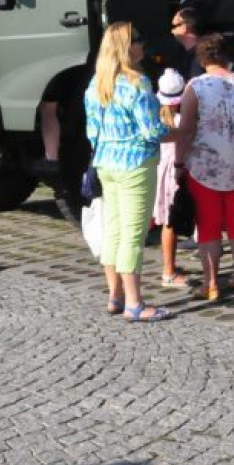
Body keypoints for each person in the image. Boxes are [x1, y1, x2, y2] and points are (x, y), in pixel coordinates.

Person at [84, 22, 172, 323]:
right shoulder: (138, 83)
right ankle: (135, 304)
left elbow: (91, 132)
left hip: (106, 163)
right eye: (138, 40)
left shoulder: (96, 84)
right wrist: (176, 128)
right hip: (135, 164)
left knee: (115, 231)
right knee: (133, 236)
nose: (143, 45)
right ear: (126, 47)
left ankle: (115, 295)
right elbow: (151, 131)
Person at [175, 33, 234, 301]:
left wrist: (178, 162)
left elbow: (185, 130)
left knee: (209, 226)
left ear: (202, 58)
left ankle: (211, 283)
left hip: (204, 166)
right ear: (226, 54)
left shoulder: (196, 87)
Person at [153, 68, 191, 288]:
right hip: (176, 174)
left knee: (167, 222)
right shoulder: (181, 121)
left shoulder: (156, 120)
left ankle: (170, 267)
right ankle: (168, 271)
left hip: (159, 173)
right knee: (171, 223)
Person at [171, 6, 204, 80]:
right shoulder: (185, 54)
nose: (172, 31)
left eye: (174, 26)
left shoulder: (200, 56)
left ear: (184, 27)